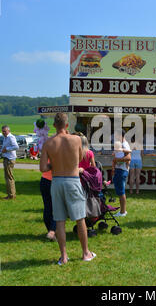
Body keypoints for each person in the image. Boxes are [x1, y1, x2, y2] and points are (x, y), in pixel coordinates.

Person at [40, 113, 95, 265]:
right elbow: (78, 158)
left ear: (54, 125)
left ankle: (63, 256)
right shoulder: (76, 139)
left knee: (59, 220)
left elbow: (43, 167)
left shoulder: (48, 143)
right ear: (66, 125)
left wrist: (54, 164)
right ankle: (85, 253)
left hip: (56, 181)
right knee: (80, 218)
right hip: (72, 180)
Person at [112, 130, 131, 217]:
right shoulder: (121, 144)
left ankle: (123, 212)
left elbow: (128, 158)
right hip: (120, 169)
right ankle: (122, 211)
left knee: (121, 191)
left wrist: (117, 160)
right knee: (120, 191)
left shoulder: (124, 145)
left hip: (121, 170)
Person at [1, 125, 19, 200]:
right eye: (3, 131)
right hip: (6, 158)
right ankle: (9, 194)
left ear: (8, 131)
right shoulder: (5, 138)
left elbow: (16, 147)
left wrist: (7, 149)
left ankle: (11, 195)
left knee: (9, 177)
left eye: (5, 131)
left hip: (10, 159)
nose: (4, 133)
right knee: (7, 177)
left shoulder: (11, 137)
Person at [40, 167, 56, 241]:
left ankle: (50, 230)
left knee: (47, 207)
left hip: (45, 180)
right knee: (57, 209)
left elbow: (42, 167)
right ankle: (52, 231)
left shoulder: (45, 154)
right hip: (56, 180)